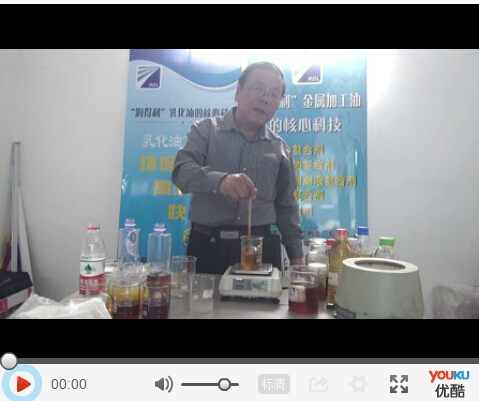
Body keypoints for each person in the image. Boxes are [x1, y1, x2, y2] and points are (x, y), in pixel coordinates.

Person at [172, 61, 304, 274]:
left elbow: (286, 207)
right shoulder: (205, 131)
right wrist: (220, 181)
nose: (265, 98)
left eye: (273, 94)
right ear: (238, 92)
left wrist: (298, 260)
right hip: (208, 247)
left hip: (261, 250)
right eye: (258, 89)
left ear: (278, 104)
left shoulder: (280, 149)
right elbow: (181, 173)